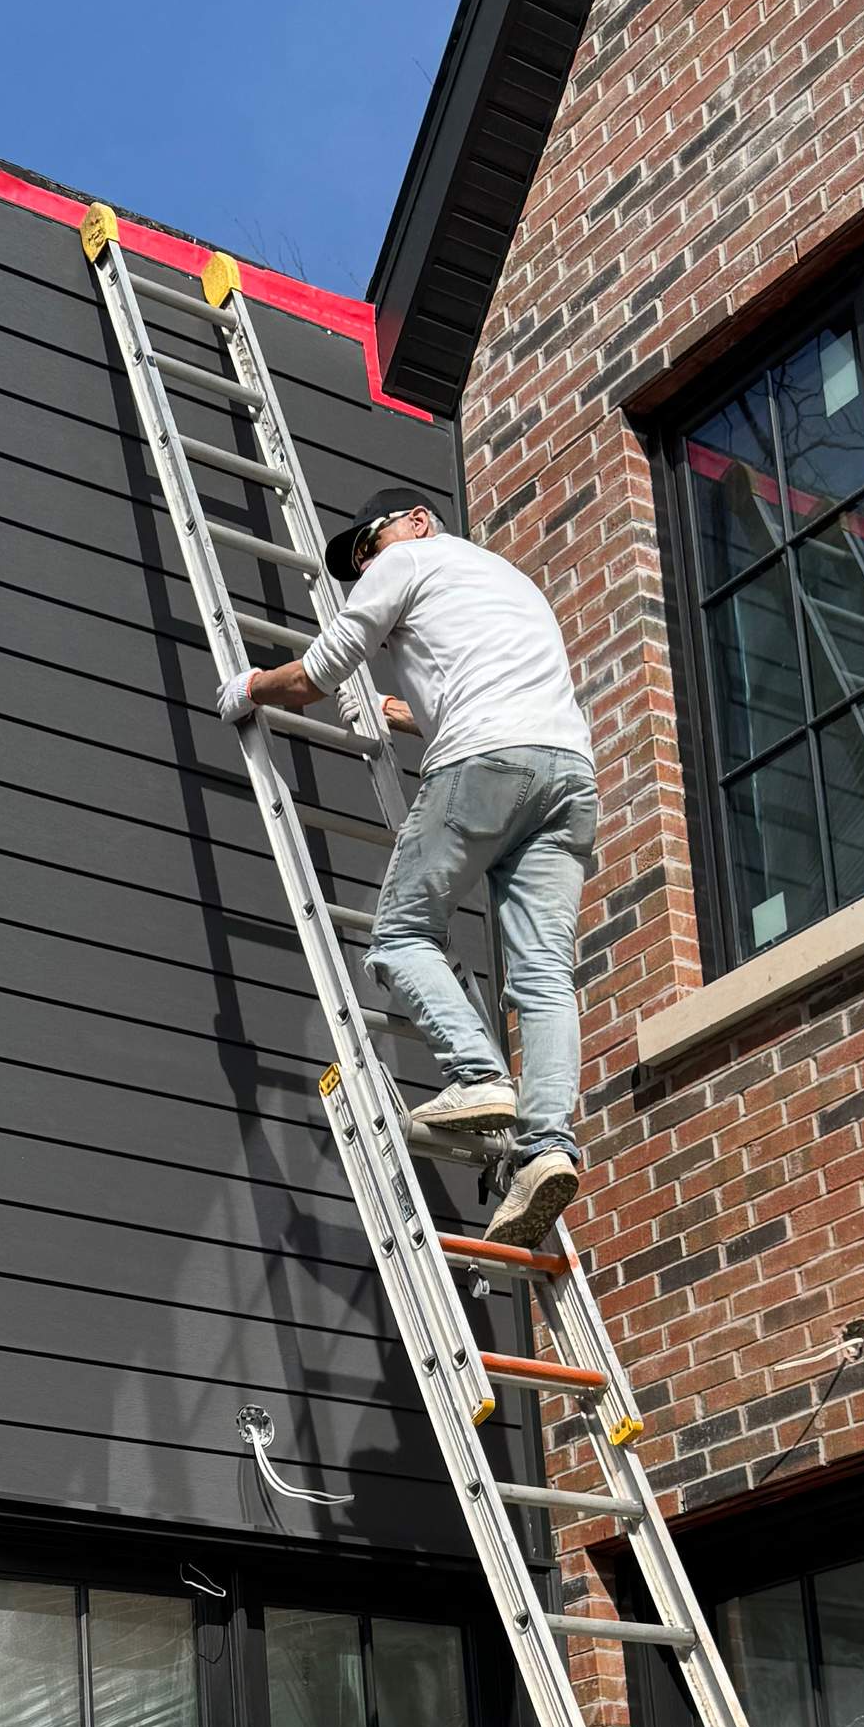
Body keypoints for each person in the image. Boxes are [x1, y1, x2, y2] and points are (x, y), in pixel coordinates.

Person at [219, 490, 594, 1249]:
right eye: (359, 561)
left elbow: (322, 669)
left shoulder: (412, 558)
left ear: (418, 519)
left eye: (371, 545)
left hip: (485, 761)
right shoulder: (508, 583)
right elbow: (485, 689)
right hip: (568, 773)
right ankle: (547, 1147)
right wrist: (398, 711)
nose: (367, 564)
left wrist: (252, 687)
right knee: (545, 977)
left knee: (399, 935)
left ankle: (480, 1077)